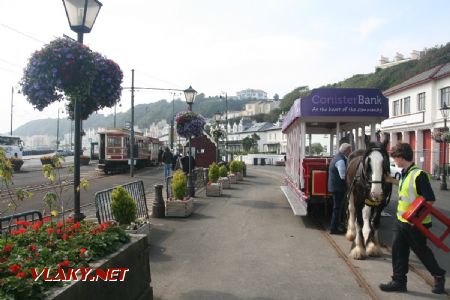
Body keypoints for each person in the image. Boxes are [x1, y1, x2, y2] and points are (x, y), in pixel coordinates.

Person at [379, 143, 446, 294]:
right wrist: (391, 180)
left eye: (395, 158)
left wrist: (414, 218)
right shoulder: (406, 173)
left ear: (401, 157)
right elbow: (408, 189)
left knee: (422, 252)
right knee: (398, 251)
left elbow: (429, 199)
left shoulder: (419, 175)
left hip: (416, 224)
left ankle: (439, 275)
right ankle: (399, 281)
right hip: (401, 221)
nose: (394, 161)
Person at [327, 143, 352, 234]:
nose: (351, 152)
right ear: (346, 151)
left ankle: (337, 225)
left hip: (336, 187)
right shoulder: (340, 161)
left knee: (338, 208)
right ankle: (334, 229)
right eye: (350, 150)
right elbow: (343, 176)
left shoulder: (338, 157)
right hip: (338, 188)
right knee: (337, 208)